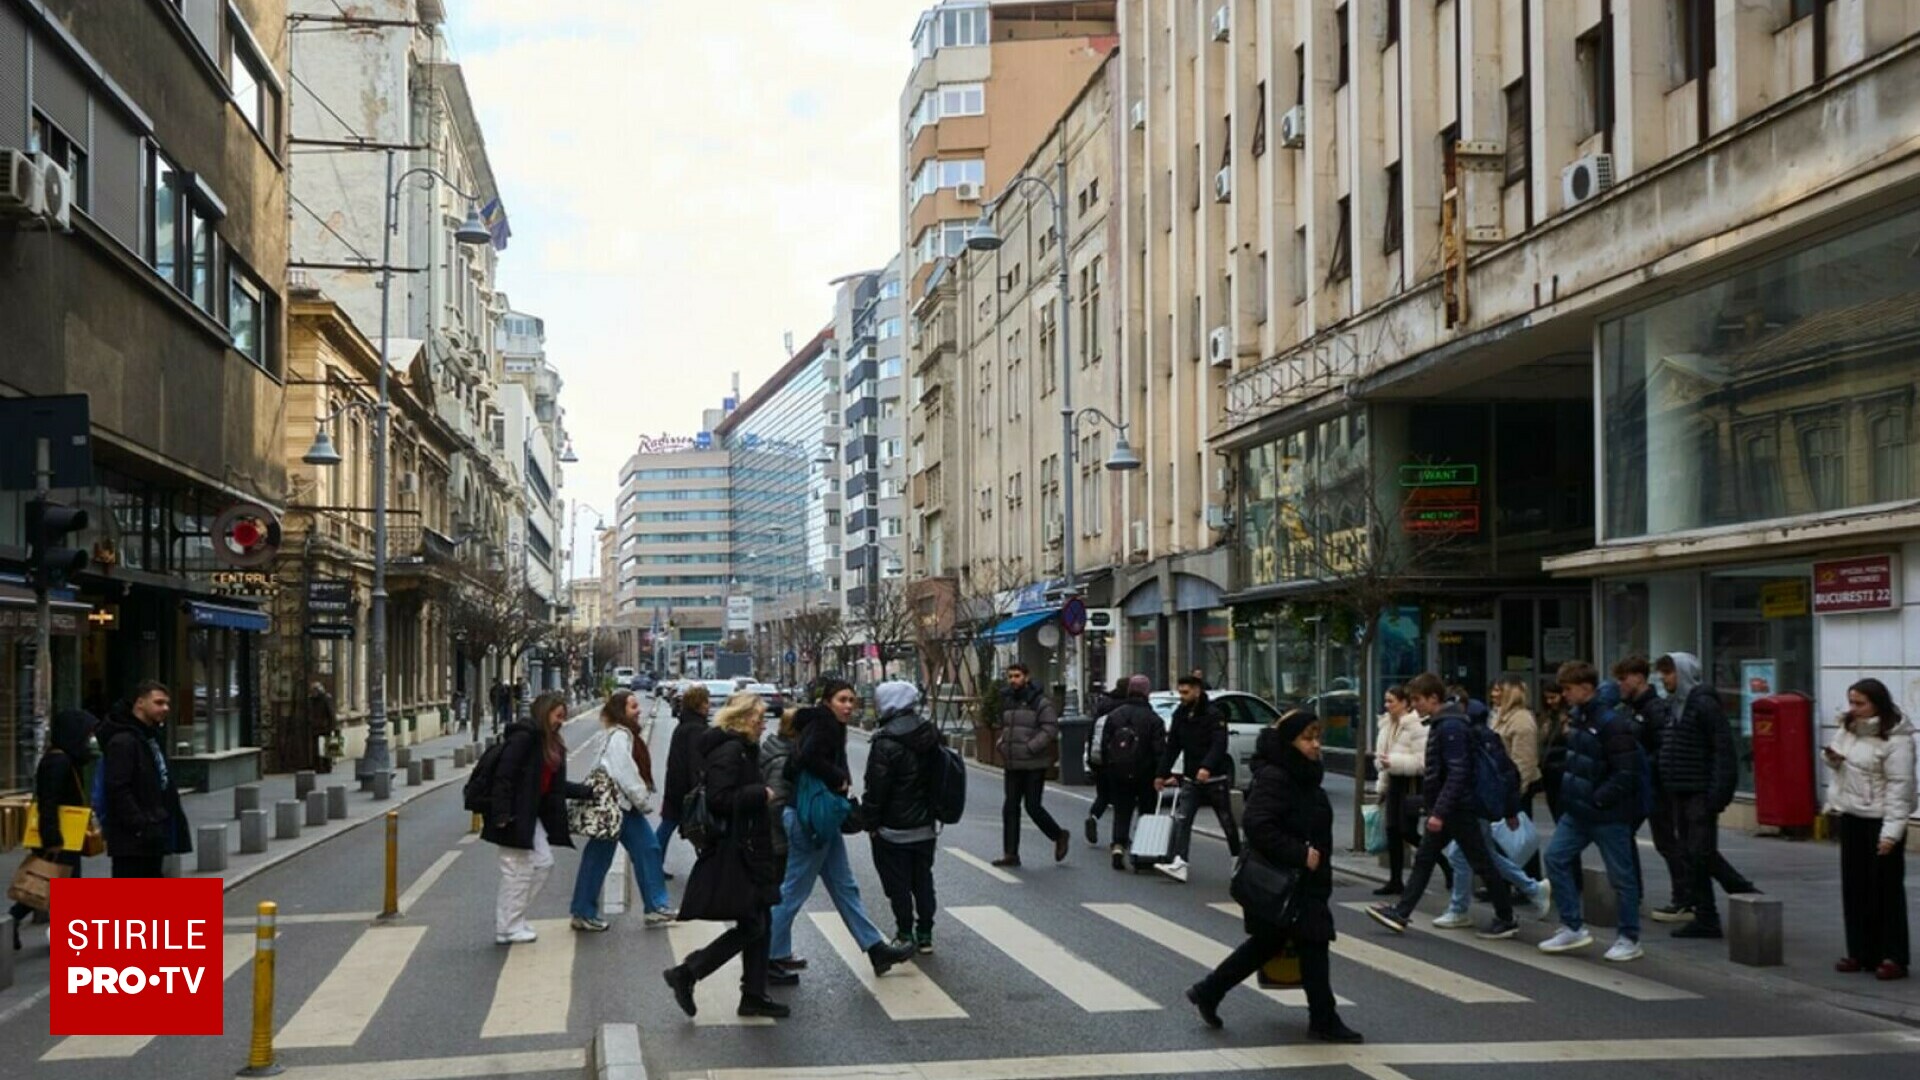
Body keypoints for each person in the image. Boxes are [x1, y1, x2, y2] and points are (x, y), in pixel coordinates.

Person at [1184, 711, 1362, 1044]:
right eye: (1307, 738)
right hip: (1287, 878)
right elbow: (1257, 824)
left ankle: (1209, 991)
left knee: (1270, 943)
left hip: (1300, 879)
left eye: (1317, 737)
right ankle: (1323, 1018)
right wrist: (1299, 853)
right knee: (1313, 943)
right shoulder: (1278, 776)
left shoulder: (1301, 772)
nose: (1316, 745)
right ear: (1289, 742)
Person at [768, 683, 914, 983]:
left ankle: (875, 949)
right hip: (811, 821)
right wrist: (838, 778)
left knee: (845, 887)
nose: (848, 706)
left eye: (852, 700)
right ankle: (765, 956)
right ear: (827, 701)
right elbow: (808, 757)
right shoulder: (826, 723)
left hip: (819, 819)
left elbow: (794, 766)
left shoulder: (818, 722)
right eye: (842, 700)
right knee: (793, 890)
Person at [661, 691, 788, 1020]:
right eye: (759, 719)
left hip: (749, 847)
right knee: (754, 924)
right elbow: (719, 798)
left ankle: (753, 995)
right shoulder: (731, 750)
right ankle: (688, 972)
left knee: (760, 920)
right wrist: (760, 793)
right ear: (743, 719)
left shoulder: (742, 747)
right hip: (736, 850)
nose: (763, 725)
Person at [1367, 673, 1518, 939]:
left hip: (1456, 808)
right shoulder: (1445, 722)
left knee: (1480, 861)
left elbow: (1457, 773)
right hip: (1450, 807)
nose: (1415, 705)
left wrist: (1439, 811)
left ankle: (1506, 916)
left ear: (1433, 698)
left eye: (1418, 699)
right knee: (1428, 859)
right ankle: (1401, 912)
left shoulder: (1450, 726)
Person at [1538, 661, 1645, 962]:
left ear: (1586, 688)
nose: (1564, 695)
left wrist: (1599, 799)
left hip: (1607, 813)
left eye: (1568, 689)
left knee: (1621, 876)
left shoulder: (1611, 723)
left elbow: (1626, 771)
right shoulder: (1579, 717)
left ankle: (1629, 937)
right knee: (1555, 858)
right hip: (1578, 810)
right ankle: (1572, 925)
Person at [1655, 652, 1756, 939]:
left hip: (1700, 792)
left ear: (1684, 673)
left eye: (1669, 672)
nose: (1664, 678)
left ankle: (1742, 892)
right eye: (1662, 673)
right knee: (1692, 854)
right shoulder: (1674, 706)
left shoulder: (1703, 704)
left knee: (1700, 852)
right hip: (1680, 790)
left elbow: (1723, 751)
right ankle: (1707, 915)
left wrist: (1717, 796)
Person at [1435, 680, 1552, 927]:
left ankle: (1464, 907)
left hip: (1487, 797)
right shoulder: (1493, 718)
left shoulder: (1517, 722)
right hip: (1483, 797)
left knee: (1471, 854)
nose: (1494, 694)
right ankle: (1529, 889)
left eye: (1499, 690)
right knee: (1475, 853)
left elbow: (1518, 765)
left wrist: (1510, 803)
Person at [1825, 677, 1915, 981]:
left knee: (1886, 889)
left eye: (1860, 703)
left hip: (1880, 819)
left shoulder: (1897, 739)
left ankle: (1893, 956)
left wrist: (1891, 833)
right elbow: (1838, 761)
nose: (1854, 708)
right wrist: (1833, 758)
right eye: (1851, 702)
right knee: (1854, 887)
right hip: (1852, 814)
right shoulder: (1849, 728)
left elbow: (1900, 789)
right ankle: (1860, 952)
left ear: (1877, 703)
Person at [484, 692, 591, 945]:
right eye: (558, 716)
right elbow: (504, 776)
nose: (561, 721)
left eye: (563, 716)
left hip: (529, 816)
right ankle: (508, 927)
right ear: (545, 713)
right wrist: (502, 814)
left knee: (542, 864)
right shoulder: (525, 738)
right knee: (516, 872)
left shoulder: (548, 742)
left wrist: (587, 791)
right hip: (514, 815)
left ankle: (512, 919)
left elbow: (554, 786)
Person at [568, 691, 674, 932]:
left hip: (619, 807)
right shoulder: (619, 736)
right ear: (620, 711)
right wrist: (642, 800)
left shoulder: (619, 734)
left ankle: (654, 906)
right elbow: (624, 771)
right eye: (633, 707)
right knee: (625, 854)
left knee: (643, 850)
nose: (639, 710)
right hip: (618, 807)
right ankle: (585, 912)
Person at [862, 681, 942, 954]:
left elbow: (876, 789)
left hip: (892, 829)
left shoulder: (885, 742)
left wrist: (870, 823)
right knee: (923, 880)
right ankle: (926, 933)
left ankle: (905, 932)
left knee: (898, 885)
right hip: (925, 826)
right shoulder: (930, 734)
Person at [10, 708, 98, 950]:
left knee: (53, 883)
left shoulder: (65, 759)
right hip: (60, 836)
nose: (90, 739)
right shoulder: (59, 761)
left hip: (67, 834)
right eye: (87, 733)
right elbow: (48, 803)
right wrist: (52, 838)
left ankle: (20, 922)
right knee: (52, 882)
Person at [1614, 655, 1686, 921]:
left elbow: (1663, 748)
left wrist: (1640, 765)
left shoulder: (1655, 709)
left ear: (1638, 678)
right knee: (1624, 835)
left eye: (1623, 679)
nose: (1620, 684)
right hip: (1638, 786)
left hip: (1655, 786)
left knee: (1666, 841)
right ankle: (1632, 893)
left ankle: (1684, 898)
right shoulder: (1629, 709)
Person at [98, 682, 190, 879]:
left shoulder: (151, 737)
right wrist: (141, 825)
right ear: (140, 703)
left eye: (167, 703)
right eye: (158, 702)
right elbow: (117, 788)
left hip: (154, 830)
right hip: (133, 839)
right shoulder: (123, 741)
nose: (165, 708)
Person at [1155, 673, 1241, 882]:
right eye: (1180, 692)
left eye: (1185, 692)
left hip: (1215, 778)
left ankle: (1237, 859)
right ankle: (1180, 862)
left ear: (1197, 691)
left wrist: (1207, 767)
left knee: (1226, 821)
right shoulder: (1180, 714)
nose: (1182, 697)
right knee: (1183, 819)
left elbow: (1219, 744)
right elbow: (1173, 746)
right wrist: (1161, 773)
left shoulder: (1214, 714)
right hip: (1191, 777)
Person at [994, 663, 1068, 867]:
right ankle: (1011, 854)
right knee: (1010, 807)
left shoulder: (1039, 701)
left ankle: (1059, 835)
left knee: (1033, 807)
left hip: (1034, 763)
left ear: (1026, 677)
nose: (1013, 680)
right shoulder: (1008, 700)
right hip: (1012, 762)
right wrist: (1002, 744)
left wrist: (1031, 747)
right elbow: (1005, 727)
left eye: (1017, 676)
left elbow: (1050, 728)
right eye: (1010, 676)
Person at [1102, 675, 1169, 869]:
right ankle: (1142, 850)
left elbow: (1106, 745)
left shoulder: (1115, 716)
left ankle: (1118, 846)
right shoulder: (1153, 719)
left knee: (1122, 810)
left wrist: (1109, 768)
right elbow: (1159, 750)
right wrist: (1161, 773)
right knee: (1146, 811)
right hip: (1145, 772)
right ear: (1147, 692)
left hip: (1119, 771)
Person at [1372, 685, 1427, 896]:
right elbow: (1382, 758)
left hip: (1409, 783)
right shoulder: (1386, 725)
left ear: (1404, 703)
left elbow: (1422, 762)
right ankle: (1395, 880)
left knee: (1407, 831)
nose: (1387, 705)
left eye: (1391, 701)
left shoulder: (1415, 725)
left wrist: (1394, 762)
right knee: (1392, 831)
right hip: (1393, 781)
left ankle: (1442, 862)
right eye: (1386, 701)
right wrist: (1382, 786)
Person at [656, 683, 714, 878]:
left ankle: (653, 863)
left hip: (676, 785)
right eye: (706, 702)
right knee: (699, 826)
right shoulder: (696, 729)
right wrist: (699, 787)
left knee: (667, 826)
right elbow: (696, 763)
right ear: (698, 704)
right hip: (686, 789)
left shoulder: (684, 725)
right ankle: (652, 863)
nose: (709, 705)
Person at [1083, 678, 1130, 846]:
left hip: (1099, 758)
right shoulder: (1125, 708)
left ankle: (1093, 816)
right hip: (1119, 759)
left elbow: (1092, 731)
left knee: (1103, 794)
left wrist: (1090, 759)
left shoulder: (1104, 704)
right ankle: (1120, 836)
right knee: (1121, 801)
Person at [308, 681, 338, 773]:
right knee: (316, 748)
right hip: (316, 727)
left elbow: (331, 714)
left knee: (326, 747)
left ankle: (327, 766)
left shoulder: (325, 699)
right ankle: (318, 766)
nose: (313, 692)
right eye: (312, 690)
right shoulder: (311, 700)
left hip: (324, 727)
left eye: (314, 690)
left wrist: (332, 727)